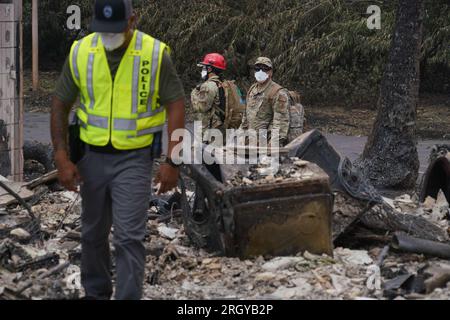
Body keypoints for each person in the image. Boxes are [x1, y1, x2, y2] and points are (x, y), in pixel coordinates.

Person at [50, 0, 185, 300]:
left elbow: (176, 104)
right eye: (103, 29)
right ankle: (96, 293)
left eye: (116, 29)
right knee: (92, 234)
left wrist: (173, 160)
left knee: (129, 238)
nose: (108, 35)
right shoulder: (82, 51)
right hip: (91, 158)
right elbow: (60, 102)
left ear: (132, 20)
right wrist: (61, 155)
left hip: (134, 159)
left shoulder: (154, 53)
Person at [240, 57, 290, 146]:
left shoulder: (278, 92)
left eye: (264, 69)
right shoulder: (252, 89)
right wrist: (239, 138)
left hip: (266, 144)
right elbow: (245, 119)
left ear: (270, 72)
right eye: (257, 69)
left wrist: (273, 145)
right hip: (250, 142)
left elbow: (280, 122)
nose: (260, 72)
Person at [190, 53, 227, 132]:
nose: (202, 71)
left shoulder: (208, 86)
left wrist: (194, 93)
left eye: (204, 68)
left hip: (211, 130)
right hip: (222, 127)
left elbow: (200, 107)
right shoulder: (223, 84)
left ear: (209, 69)